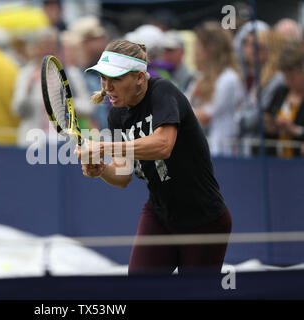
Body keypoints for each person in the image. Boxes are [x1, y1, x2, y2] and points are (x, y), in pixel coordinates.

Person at [77, 39, 232, 275]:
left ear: (139, 77)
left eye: (116, 79)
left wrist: (102, 148)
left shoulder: (163, 92)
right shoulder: (116, 115)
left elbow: (163, 145)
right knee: (139, 290)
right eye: (103, 78)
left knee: (195, 296)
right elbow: (122, 176)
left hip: (204, 220)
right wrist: (100, 169)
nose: (108, 87)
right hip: (159, 215)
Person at [186, 22, 244, 156]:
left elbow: (206, 115)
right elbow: (185, 103)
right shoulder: (199, 77)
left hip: (221, 152)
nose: (194, 51)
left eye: (198, 45)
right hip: (199, 149)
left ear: (211, 48)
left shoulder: (229, 78)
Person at [264, 42, 304, 158]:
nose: (288, 81)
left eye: (292, 77)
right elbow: (268, 115)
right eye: (285, 77)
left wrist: (294, 129)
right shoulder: (281, 92)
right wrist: (270, 124)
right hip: (278, 161)